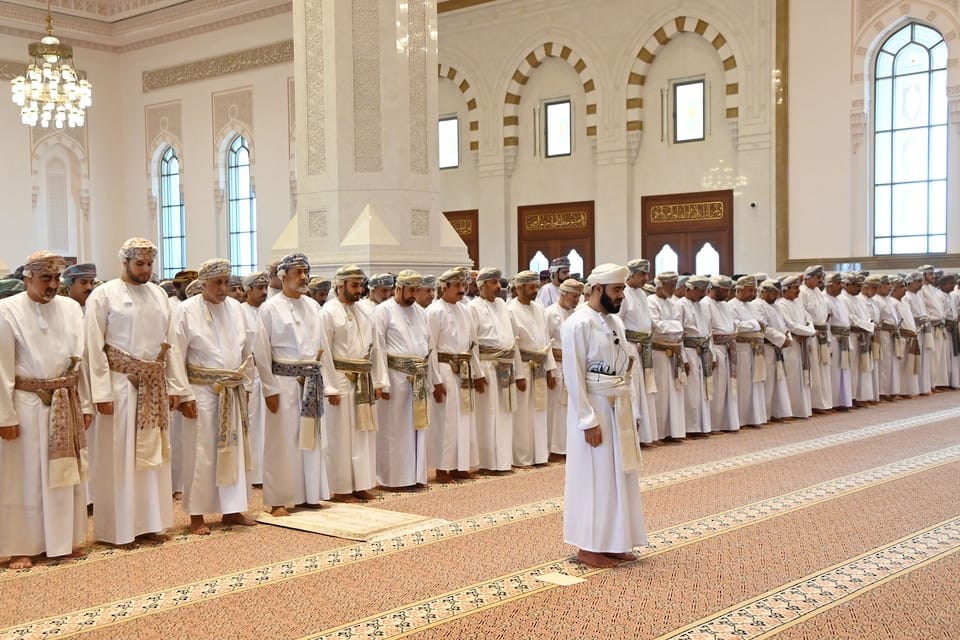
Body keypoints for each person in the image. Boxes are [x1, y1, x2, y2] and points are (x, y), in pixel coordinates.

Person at [86, 238, 186, 547]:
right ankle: (118, 530)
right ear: (125, 262)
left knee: (152, 457)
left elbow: (170, 345)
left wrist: (176, 386)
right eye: (139, 263)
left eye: (149, 264)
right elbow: (93, 346)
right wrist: (101, 393)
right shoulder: (104, 295)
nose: (145, 269)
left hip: (154, 387)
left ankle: (150, 523)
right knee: (120, 459)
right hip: (119, 387)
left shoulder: (158, 294)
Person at [0, 251, 92, 569]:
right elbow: (1, 369)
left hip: (65, 401)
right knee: (25, 477)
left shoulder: (69, 308)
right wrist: (4, 415)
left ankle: (61, 541)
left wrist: (86, 403)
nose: (53, 285)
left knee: (63, 476)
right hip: (26, 406)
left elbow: (81, 361)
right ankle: (21, 546)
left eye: (57, 278)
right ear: (27, 278)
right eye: (45, 278)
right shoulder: (7, 310)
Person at [561, 263, 647, 569]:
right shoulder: (578, 324)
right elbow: (573, 376)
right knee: (595, 478)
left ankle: (614, 542)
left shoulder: (615, 323)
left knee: (619, 476)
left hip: (619, 407)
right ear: (597, 289)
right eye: (617, 290)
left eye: (623, 289)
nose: (622, 295)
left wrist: (633, 411)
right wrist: (588, 420)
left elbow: (626, 370)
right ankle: (589, 547)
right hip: (594, 409)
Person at [170, 259, 256, 534]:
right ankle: (196, 515)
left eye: (226, 282)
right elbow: (175, 354)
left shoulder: (236, 310)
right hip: (201, 391)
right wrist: (183, 395)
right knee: (201, 452)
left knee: (233, 448)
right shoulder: (186, 310)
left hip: (232, 389)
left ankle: (232, 510)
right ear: (203, 283)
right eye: (217, 283)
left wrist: (248, 385)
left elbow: (247, 352)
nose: (223, 288)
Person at [253, 253, 331, 515]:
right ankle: (277, 500)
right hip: (283, 383)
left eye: (305, 271)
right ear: (282, 276)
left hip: (311, 381)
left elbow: (323, 347)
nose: (303, 276)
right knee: (281, 442)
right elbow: (261, 351)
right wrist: (269, 388)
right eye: (297, 271)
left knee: (309, 437)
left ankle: (309, 494)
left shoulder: (313, 306)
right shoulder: (270, 308)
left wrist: (327, 383)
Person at [318, 265, 387, 501]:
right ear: (340, 285)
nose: (359, 290)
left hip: (364, 379)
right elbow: (323, 351)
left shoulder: (366, 312)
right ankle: (341, 488)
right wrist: (329, 387)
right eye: (354, 285)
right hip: (340, 380)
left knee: (363, 433)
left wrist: (379, 382)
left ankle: (361, 484)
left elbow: (377, 349)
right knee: (340, 435)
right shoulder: (328, 312)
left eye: (361, 285)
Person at [374, 270, 434, 488]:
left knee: (417, 427)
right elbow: (378, 348)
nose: (414, 294)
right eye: (411, 290)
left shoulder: (420, 312)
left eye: (417, 290)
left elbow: (429, 346)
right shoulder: (383, 311)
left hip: (418, 377)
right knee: (395, 428)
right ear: (398, 288)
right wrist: (381, 382)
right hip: (395, 378)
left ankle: (415, 476)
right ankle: (393, 479)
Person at [426, 268, 486, 481]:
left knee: (465, 418)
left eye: (464, 285)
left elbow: (472, 346)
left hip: (465, 371)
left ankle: (461, 465)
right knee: (447, 421)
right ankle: (443, 468)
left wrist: (478, 373)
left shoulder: (465, 310)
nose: (462, 289)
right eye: (457, 286)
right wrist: (435, 381)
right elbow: (430, 347)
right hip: (444, 370)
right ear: (445, 287)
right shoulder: (434, 311)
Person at [469, 267, 523, 474]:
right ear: (482, 286)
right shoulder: (473, 307)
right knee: (488, 415)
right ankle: (488, 463)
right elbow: (471, 343)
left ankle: (503, 461)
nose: (498, 287)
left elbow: (514, 340)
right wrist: (477, 374)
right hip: (486, 367)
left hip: (505, 366)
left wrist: (518, 372)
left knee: (505, 413)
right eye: (493, 283)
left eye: (499, 282)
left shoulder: (503, 305)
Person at [508, 270, 557, 467]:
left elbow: (547, 341)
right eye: (531, 287)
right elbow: (513, 345)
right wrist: (518, 374)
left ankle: (540, 455)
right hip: (524, 367)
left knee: (539, 411)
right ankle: (522, 457)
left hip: (540, 366)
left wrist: (550, 369)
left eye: (537, 286)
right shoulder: (510, 310)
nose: (535, 290)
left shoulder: (539, 309)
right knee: (522, 415)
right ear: (519, 288)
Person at [619, 259, 657, 444]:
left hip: (643, 348)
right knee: (633, 390)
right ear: (631, 274)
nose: (646, 278)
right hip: (629, 348)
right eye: (643, 274)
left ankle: (643, 435)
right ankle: (632, 434)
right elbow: (617, 323)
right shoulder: (623, 294)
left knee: (643, 391)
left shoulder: (642, 294)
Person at [544, 278, 583, 458]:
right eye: (574, 296)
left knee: (571, 407)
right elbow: (545, 343)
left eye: (578, 296)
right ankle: (554, 448)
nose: (576, 300)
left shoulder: (577, 314)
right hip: (557, 366)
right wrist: (549, 369)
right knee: (556, 408)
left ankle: (569, 446)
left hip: (573, 366)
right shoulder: (550, 313)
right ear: (564, 294)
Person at [647, 271, 687, 441]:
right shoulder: (650, 302)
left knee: (675, 393)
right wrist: (675, 327)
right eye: (671, 285)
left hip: (675, 352)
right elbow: (656, 326)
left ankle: (674, 431)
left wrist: (684, 358)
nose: (673, 289)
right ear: (661, 285)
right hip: (659, 353)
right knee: (661, 394)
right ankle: (661, 433)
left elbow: (680, 328)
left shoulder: (673, 304)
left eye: (675, 285)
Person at [240, 271, 269, 487]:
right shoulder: (239, 312)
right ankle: (252, 473)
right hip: (250, 375)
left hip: (269, 374)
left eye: (266, 287)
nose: (264, 291)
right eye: (259, 288)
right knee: (252, 423)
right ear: (248, 289)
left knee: (269, 424)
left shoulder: (268, 311)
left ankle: (267, 471)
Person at [728, 275, 768, 427]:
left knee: (755, 383)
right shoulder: (731, 305)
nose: (753, 294)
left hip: (755, 349)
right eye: (750, 290)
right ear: (739, 289)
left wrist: (756, 324)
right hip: (741, 349)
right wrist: (754, 324)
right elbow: (736, 326)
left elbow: (762, 324)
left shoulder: (752, 306)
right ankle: (741, 418)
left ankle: (754, 417)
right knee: (743, 384)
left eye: (754, 290)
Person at [701, 276, 740, 431]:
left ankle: (726, 422)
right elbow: (707, 331)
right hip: (715, 349)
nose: (728, 293)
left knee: (726, 387)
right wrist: (712, 354)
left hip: (727, 348)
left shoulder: (725, 305)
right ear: (714, 289)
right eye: (725, 290)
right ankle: (714, 424)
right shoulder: (705, 304)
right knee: (715, 388)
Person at [753, 280, 793, 421]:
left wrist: (786, 335)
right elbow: (764, 327)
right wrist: (781, 339)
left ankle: (777, 412)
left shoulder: (776, 306)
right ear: (763, 292)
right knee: (767, 382)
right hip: (766, 348)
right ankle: (765, 414)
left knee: (778, 381)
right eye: (773, 293)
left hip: (777, 347)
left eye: (777, 293)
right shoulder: (757, 305)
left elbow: (782, 324)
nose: (776, 296)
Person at [678, 275, 712, 435]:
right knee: (691, 391)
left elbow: (709, 332)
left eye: (705, 291)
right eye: (700, 291)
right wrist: (683, 358)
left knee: (703, 389)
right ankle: (690, 427)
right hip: (689, 351)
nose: (703, 295)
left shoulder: (704, 306)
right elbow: (679, 334)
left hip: (704, 352)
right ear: (689, 289)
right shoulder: (680, 305)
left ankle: (702, 426)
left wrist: (712, 355)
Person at [776, 275, 815, 418]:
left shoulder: (797, 303)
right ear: (785, 289)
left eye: (798, 288)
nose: (798, 291)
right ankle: (791, 410)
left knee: (801, 376)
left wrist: (809, 331)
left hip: (802, 343)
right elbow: (791, 325)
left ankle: (803, 409)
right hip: (791, 345)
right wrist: (808, 332)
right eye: (795, 288)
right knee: (792, 377)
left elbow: (808, 318)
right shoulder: (781, 304)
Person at [799, 265, 834, 413]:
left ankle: (824, 403)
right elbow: (802, 316)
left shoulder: (819, 292)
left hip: (823, 334)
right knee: (814, 370)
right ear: (808, 278)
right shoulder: (802, 292)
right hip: (812, 335)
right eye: (818, 277)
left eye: (821, 277)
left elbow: (825, 317)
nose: (821, 280)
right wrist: (812, 332)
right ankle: (815, 404)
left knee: (824, 369)